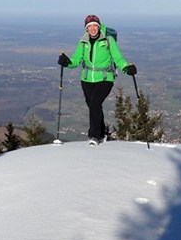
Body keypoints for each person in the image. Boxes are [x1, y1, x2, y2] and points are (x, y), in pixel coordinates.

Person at [57, 14, 137, 146]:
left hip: (105, 79)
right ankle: (102, 133)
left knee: (94, 103)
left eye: (95, 26)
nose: (93, 29)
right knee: (93, 106)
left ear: (99, 27)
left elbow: (118, 59)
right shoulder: (83, 42)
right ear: (86, 29)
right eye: (90, 26)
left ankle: (94, 136)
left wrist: (127, 68)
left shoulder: (108, 40)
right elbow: (76, 60)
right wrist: (67, 62)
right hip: (87, 79)